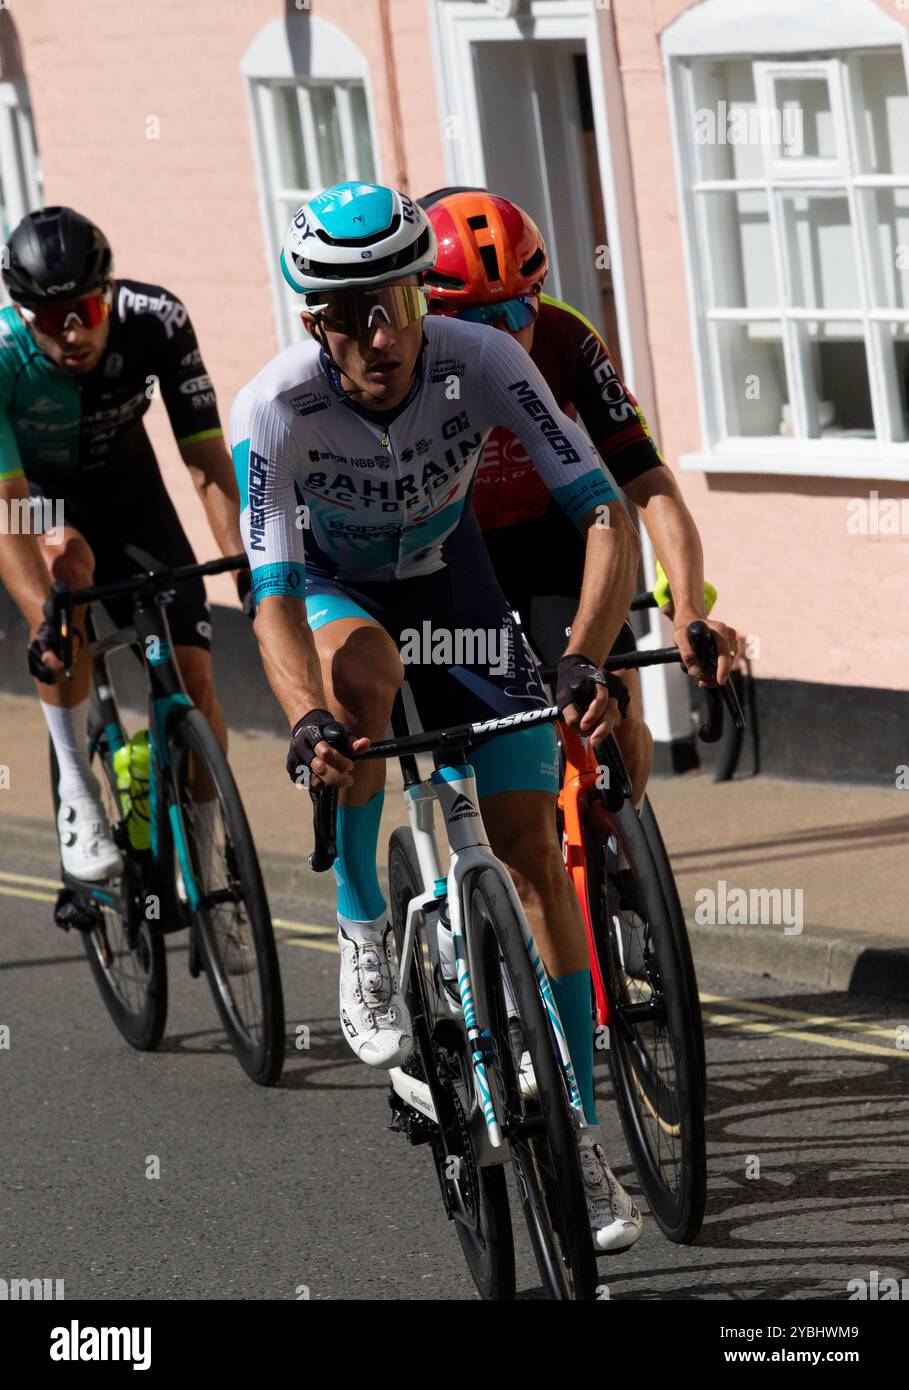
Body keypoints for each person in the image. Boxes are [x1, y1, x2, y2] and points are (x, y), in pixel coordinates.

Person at [232, 179, 643, 1251]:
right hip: (339, 595)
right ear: (315, 321)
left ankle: (580, 1138)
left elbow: (605, 511)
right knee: (360, 681)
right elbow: (267, 594)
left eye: (401, 303)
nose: (383, 335)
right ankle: (365, 924)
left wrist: (586, 658)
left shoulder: (485, 360)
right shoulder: (275, 407)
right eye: (353, 314)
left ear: (423, 297)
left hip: (458, 590)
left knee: (533, 859)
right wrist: (308, 720)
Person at [420, 188, 739, 803]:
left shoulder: (568, 339)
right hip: (453, 550)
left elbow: (647, 481)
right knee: (489, 754)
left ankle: (621, 867)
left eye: (518, 312)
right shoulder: (414, 364)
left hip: (549, 537)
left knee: (614, 702)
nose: (507, 338)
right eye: (479, 322)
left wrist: (688, 606)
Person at [0, 207, 249, 914]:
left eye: (82, 309)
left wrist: (244, 569)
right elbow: (8, 506)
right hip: (41, 498)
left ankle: (206, 869)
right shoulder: (1, 357)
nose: (72, 332)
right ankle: (77, 793)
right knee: (63, 566)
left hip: (130, 493)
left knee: (195, 682)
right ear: (26, 318)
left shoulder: (157, 319)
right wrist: (45, 622)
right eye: (49, 320)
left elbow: (203, 456)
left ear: (106, 293)